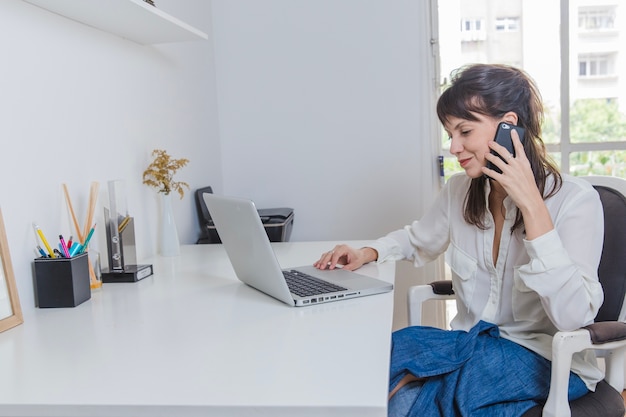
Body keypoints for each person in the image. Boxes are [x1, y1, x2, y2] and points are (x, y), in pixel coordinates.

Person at [314, 63, 605, 416]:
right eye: (450, 134)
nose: (453, 147)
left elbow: (573, 316)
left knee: (417, 398)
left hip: (543, 357)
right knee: (389, 351)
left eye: (464, 131)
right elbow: (418, 239)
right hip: (468, 345)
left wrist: (531, 205)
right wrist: (368, 251)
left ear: (508, 125)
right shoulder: (459, 191)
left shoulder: (575, 201)